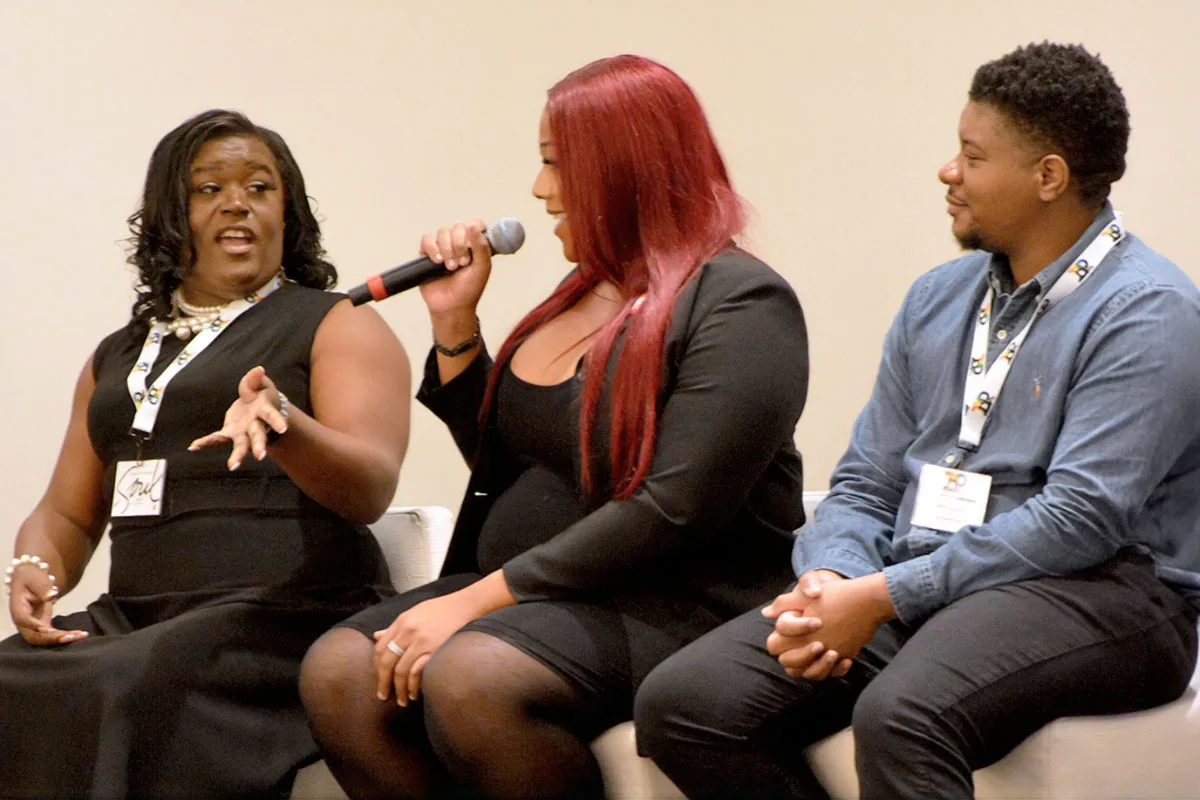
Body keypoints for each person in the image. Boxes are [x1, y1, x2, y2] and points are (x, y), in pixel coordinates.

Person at [635, 41, 1200, 800]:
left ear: (1049, 177)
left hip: (1104, 593)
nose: (948, 172)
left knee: (903, 714)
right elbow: (867, 481)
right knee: (688, 704)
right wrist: (835, 579)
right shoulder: (939, 296)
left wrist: (881, 599)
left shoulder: (1146, 311)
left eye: (972, 155)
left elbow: (1081, 519)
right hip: (922, 580)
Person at [299, 54, 808, 799]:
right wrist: (455, 325)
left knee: (472, 677)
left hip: (669, 601)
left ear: (622, 168)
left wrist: (476, 602)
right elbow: (512, 465)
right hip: (540, 597)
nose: (539, 190)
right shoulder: (580, 292)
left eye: (555, 164)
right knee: (339, 672)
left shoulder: (742, 303)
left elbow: (676, 507)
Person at [0, 109, 410, 798]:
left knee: (132, 680)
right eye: (208, 188)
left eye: (260, 187)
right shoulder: (117, 356)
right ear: (170, 214)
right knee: (11, 678)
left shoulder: (335, 322)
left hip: (284, 612)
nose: (237, 203)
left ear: (290, 211)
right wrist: (35, 566)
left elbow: (370, 486)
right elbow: (67, 515)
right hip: (139, 615)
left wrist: (287, 424)